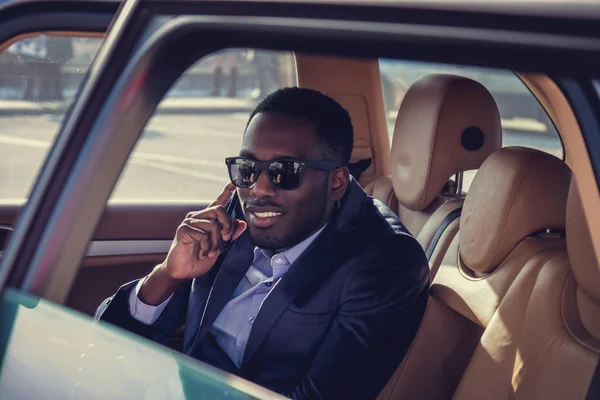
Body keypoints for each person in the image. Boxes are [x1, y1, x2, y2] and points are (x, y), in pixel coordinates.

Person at [96, 87, 430, 399]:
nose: (259, 189)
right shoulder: (234, 215)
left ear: (337, 181)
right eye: (248, 168)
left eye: (285, 171)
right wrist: (169, 274)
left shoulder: (386, 260)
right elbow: (108, 339)